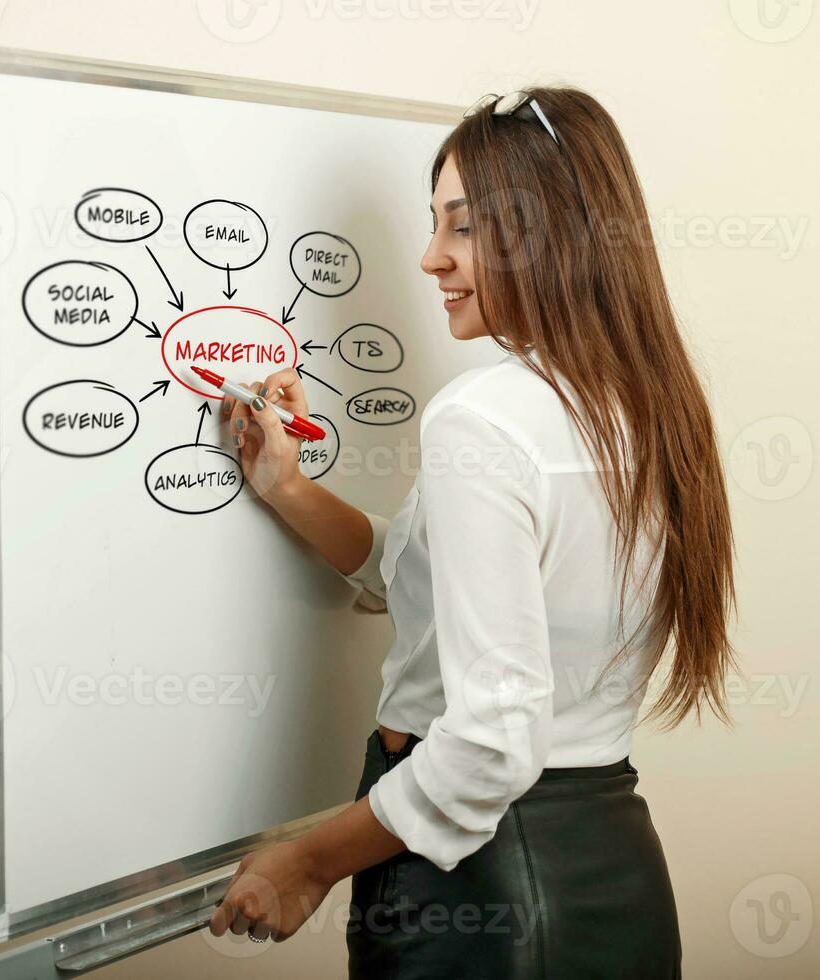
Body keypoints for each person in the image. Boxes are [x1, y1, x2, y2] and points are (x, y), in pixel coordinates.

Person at [208, 87, 735, 978]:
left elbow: (492, 739)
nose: (428, 259)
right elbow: (425, 578)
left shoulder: (484, 418)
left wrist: (306, 862)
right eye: (432, 225)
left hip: (480, 885)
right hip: (609, 861)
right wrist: (287, 488)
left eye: (462, 227)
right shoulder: (649, 407)